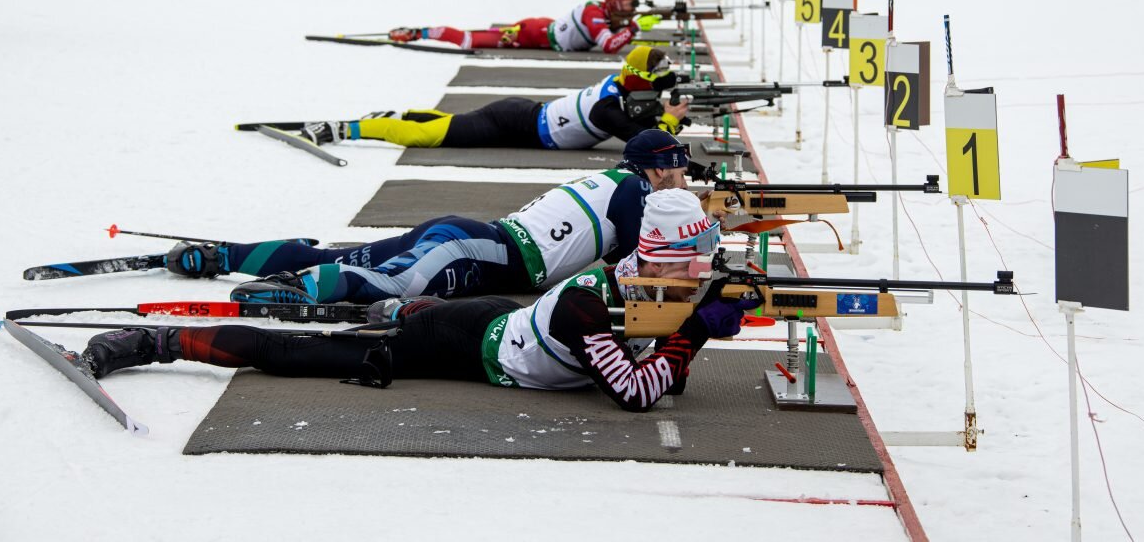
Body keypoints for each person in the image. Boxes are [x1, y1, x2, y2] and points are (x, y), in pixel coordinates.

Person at [82, 189, 762, 412]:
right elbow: (635, 392)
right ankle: (156, 340)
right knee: (302, 354)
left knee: (412, 312)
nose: (706, 274)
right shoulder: (592, 304)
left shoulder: (648, 283)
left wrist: (693, 323)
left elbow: (659, 361)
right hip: (473, 341)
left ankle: (395, 310)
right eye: (698, 262)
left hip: (506, 317)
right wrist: (698, 329)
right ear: (668, 257)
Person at [166, 129, 700, 305]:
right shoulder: (634, 192)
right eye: (675, 170)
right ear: (652, 170)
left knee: (336, 254)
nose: (682, 180)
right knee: (397, 284)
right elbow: (642, 264)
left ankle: (218, 256)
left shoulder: (614, 183)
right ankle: (300, 288)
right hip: (484, 251)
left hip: (473, 237)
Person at [296, 45, 690, 152]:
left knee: (447, 123)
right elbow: (640, 142)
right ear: (637, 80)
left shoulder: (618, 87)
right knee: (429, 138)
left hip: (523, 120)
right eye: (654, 83)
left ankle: (402, 114)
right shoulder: (607, 108)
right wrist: (669, 120)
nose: (659, 89)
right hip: (513, 123)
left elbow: (639, 116)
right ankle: (346, 127)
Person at [389, 0, 653, 53]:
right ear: (615, 1)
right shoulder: (595, 12)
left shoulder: (604, 13)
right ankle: (418, 32)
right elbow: (608, 45)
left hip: (544, 29)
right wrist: (633, 28)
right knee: (471, 40)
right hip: (532, 33)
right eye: (628, 4)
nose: (630, 9)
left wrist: (630, 26)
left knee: (478, 37)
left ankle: (419, 31)